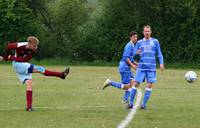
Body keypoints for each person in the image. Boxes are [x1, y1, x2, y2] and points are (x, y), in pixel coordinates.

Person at [0, 36, 70, 111]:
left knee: (29, 84)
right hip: (18, 65)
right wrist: (6, 57)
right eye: (34, 45)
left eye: (36, 46)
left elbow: (24, 59)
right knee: (40, 69)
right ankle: (61, 75)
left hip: (22, 64)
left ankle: (29, 107)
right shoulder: (20, 45)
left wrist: (9, 58)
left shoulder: (34, 50)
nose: (35, 47)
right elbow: (9, 46)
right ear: (29, 43)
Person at [128, 25, 164, 109]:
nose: (147, 32)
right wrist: (136, 54)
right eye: (145, 31)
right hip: (141, 68)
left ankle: (143, 105)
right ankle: (130, 103)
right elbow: (134, 56)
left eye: (148, 31)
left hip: (151, 68)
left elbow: (159, 53)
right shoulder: (139, 42)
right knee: (136, 83)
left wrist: (161, 63)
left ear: (150, 32)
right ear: (143, 32)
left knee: (149, 85)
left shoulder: (155, 41)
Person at [102, 31, 138, 103]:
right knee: (126, 86)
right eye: (134, 37)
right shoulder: (129, 45)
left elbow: (131, 58)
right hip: (124, 67)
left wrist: (137, 64)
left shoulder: (133, 46)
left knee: (132, 83)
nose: (135, 38)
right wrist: (133, 65)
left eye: (136, 37)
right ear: (130, 37)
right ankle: (110, 82)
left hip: (127, 67)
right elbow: (126, 58)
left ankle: (125, 99)